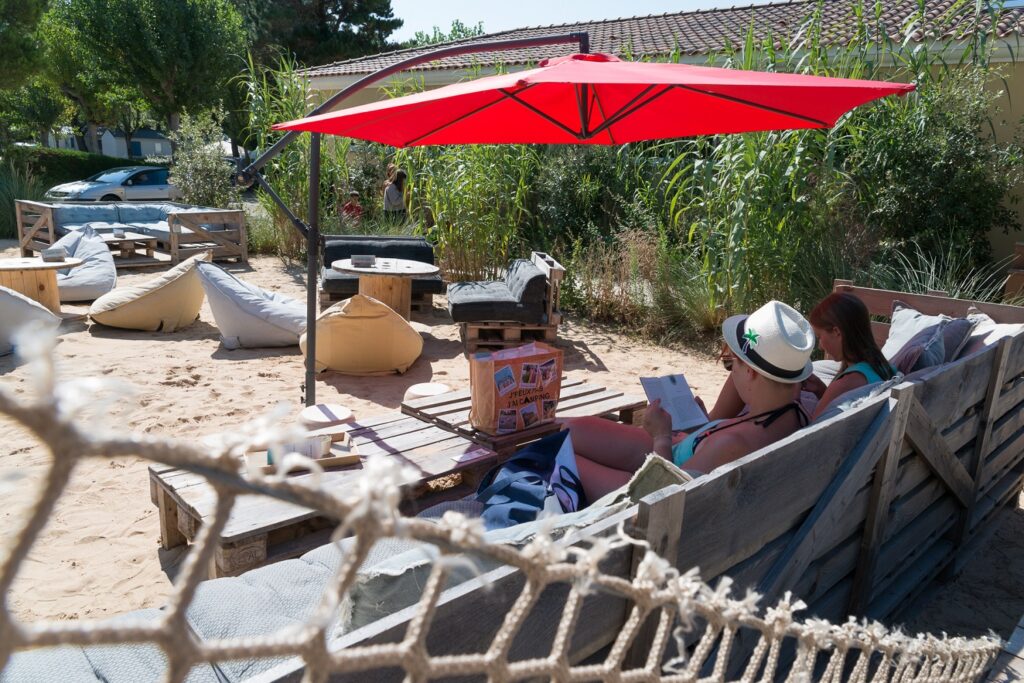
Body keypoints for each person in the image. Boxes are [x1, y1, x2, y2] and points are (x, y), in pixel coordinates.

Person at [563, 300, 816, 502]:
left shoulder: (733, 444)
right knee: (571, 431)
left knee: (561, 454)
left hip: (653, 486)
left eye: (732, 364)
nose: (731, 370)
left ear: (750, 371)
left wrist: (661, 436)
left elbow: (660, 498)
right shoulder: (793, 413)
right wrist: (706, 427)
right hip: (685, 450)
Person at [807, 292, 897, 419]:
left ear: (836, 332)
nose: (820, 346)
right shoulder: (886, 368)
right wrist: (821, 390)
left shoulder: (845, 384)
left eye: (819, 337)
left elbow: (813, 428)